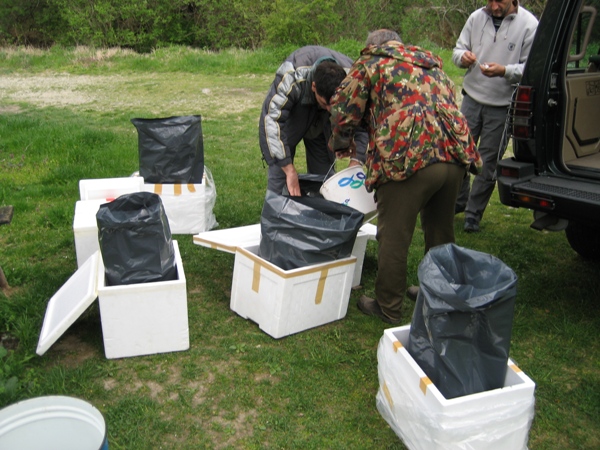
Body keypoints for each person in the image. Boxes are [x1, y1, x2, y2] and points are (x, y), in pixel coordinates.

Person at [328, 29, 482, 324]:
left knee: (394, 236)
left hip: (408, 159)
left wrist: (341, 143)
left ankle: (387, 305)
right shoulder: (430, 65)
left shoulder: (372, 62)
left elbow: (342, 109)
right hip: (452, 156)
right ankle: (439, 298)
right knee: (441, 233)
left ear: (373, 46)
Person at [453, 0, 538, 232]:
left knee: (487, 164)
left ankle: (473, 213)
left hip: (501, 106)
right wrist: (463, 58)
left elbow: (531, 67)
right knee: (460, 154)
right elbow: (457, 51)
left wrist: (504, 71)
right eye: (489, 0)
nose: (493, 5)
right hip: (471, 99)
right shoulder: (476, 17)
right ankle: (458, 202)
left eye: (499, 0)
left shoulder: (529, 24)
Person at [259, 46, 368, 196]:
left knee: (324, 181)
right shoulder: (292, 75)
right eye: (325, 104)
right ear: (314, 86)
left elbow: (364, 123)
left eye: (335, 105)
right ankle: (277, 211)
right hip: (295, 112)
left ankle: (322, 214)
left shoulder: (353, 80)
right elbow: (271, 120)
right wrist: (288, 168)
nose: (331, 110)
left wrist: (357, 160)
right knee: (281, 169)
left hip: (322, 125)